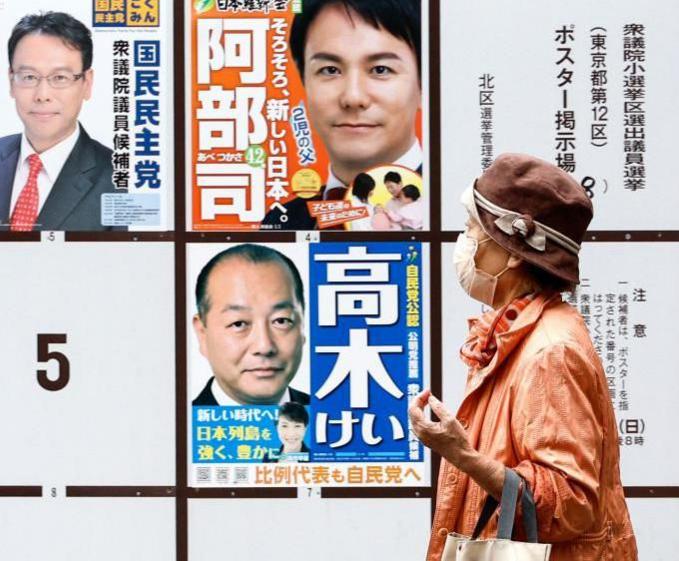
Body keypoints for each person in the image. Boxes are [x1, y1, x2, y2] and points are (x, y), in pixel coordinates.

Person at [409, 154, 637, 561]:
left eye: (470, 231)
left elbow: (571, 501)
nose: (463, 244)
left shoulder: (551, 351)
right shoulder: (519, 333)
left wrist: (463, 455)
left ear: (513, 252)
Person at [262, 0, 421, 229]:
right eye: (330, 70)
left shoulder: (455, 207)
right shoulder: (281, 221)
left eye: (380, 70)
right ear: (304, 79)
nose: (353, 98)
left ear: (424, 84)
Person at [0, 11, 115, 231]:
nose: (42, 95)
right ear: (11, 81)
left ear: (87, 83)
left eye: (60, 78)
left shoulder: (120, 178)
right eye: (29, 77)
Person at [192, 244, 308, 406]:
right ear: (202, 334)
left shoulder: (338, 419)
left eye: (281, 321)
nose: (264, 346)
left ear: (302, 327)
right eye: (239, 324)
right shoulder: (176, 425)